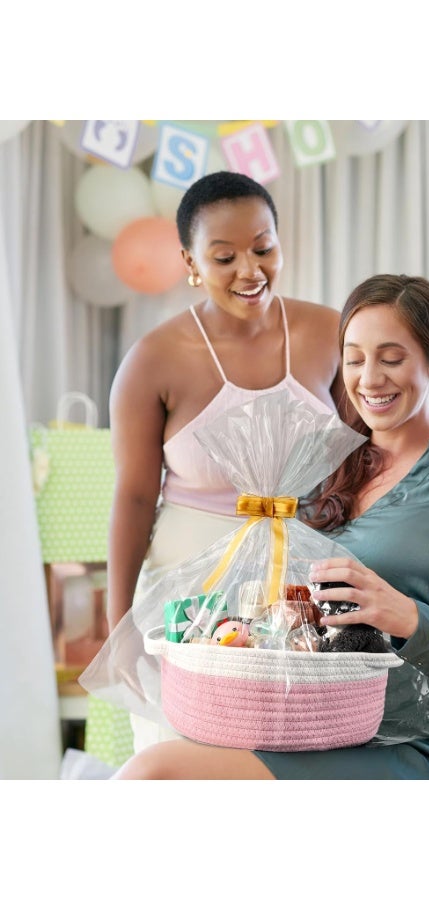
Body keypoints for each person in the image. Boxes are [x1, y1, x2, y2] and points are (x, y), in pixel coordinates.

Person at [113, 273, 429, 780]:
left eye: (392, 358)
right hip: (301, 728)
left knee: (156, 774)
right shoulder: (323, 466)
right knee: (154, 765)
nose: (370, 379)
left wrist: (405, 616)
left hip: (414, 747)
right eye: (354, 359)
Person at [81, 170, 343, 752]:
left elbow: (366, 462)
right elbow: (131, 497)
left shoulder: (331, 333)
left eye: (263, 248)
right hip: (185, 593)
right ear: (190, 262)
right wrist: (118, 623)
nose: (249, 271)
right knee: (182, 757)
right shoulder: (153, 359)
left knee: (294, 757)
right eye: (224, 257)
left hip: (300, 585)